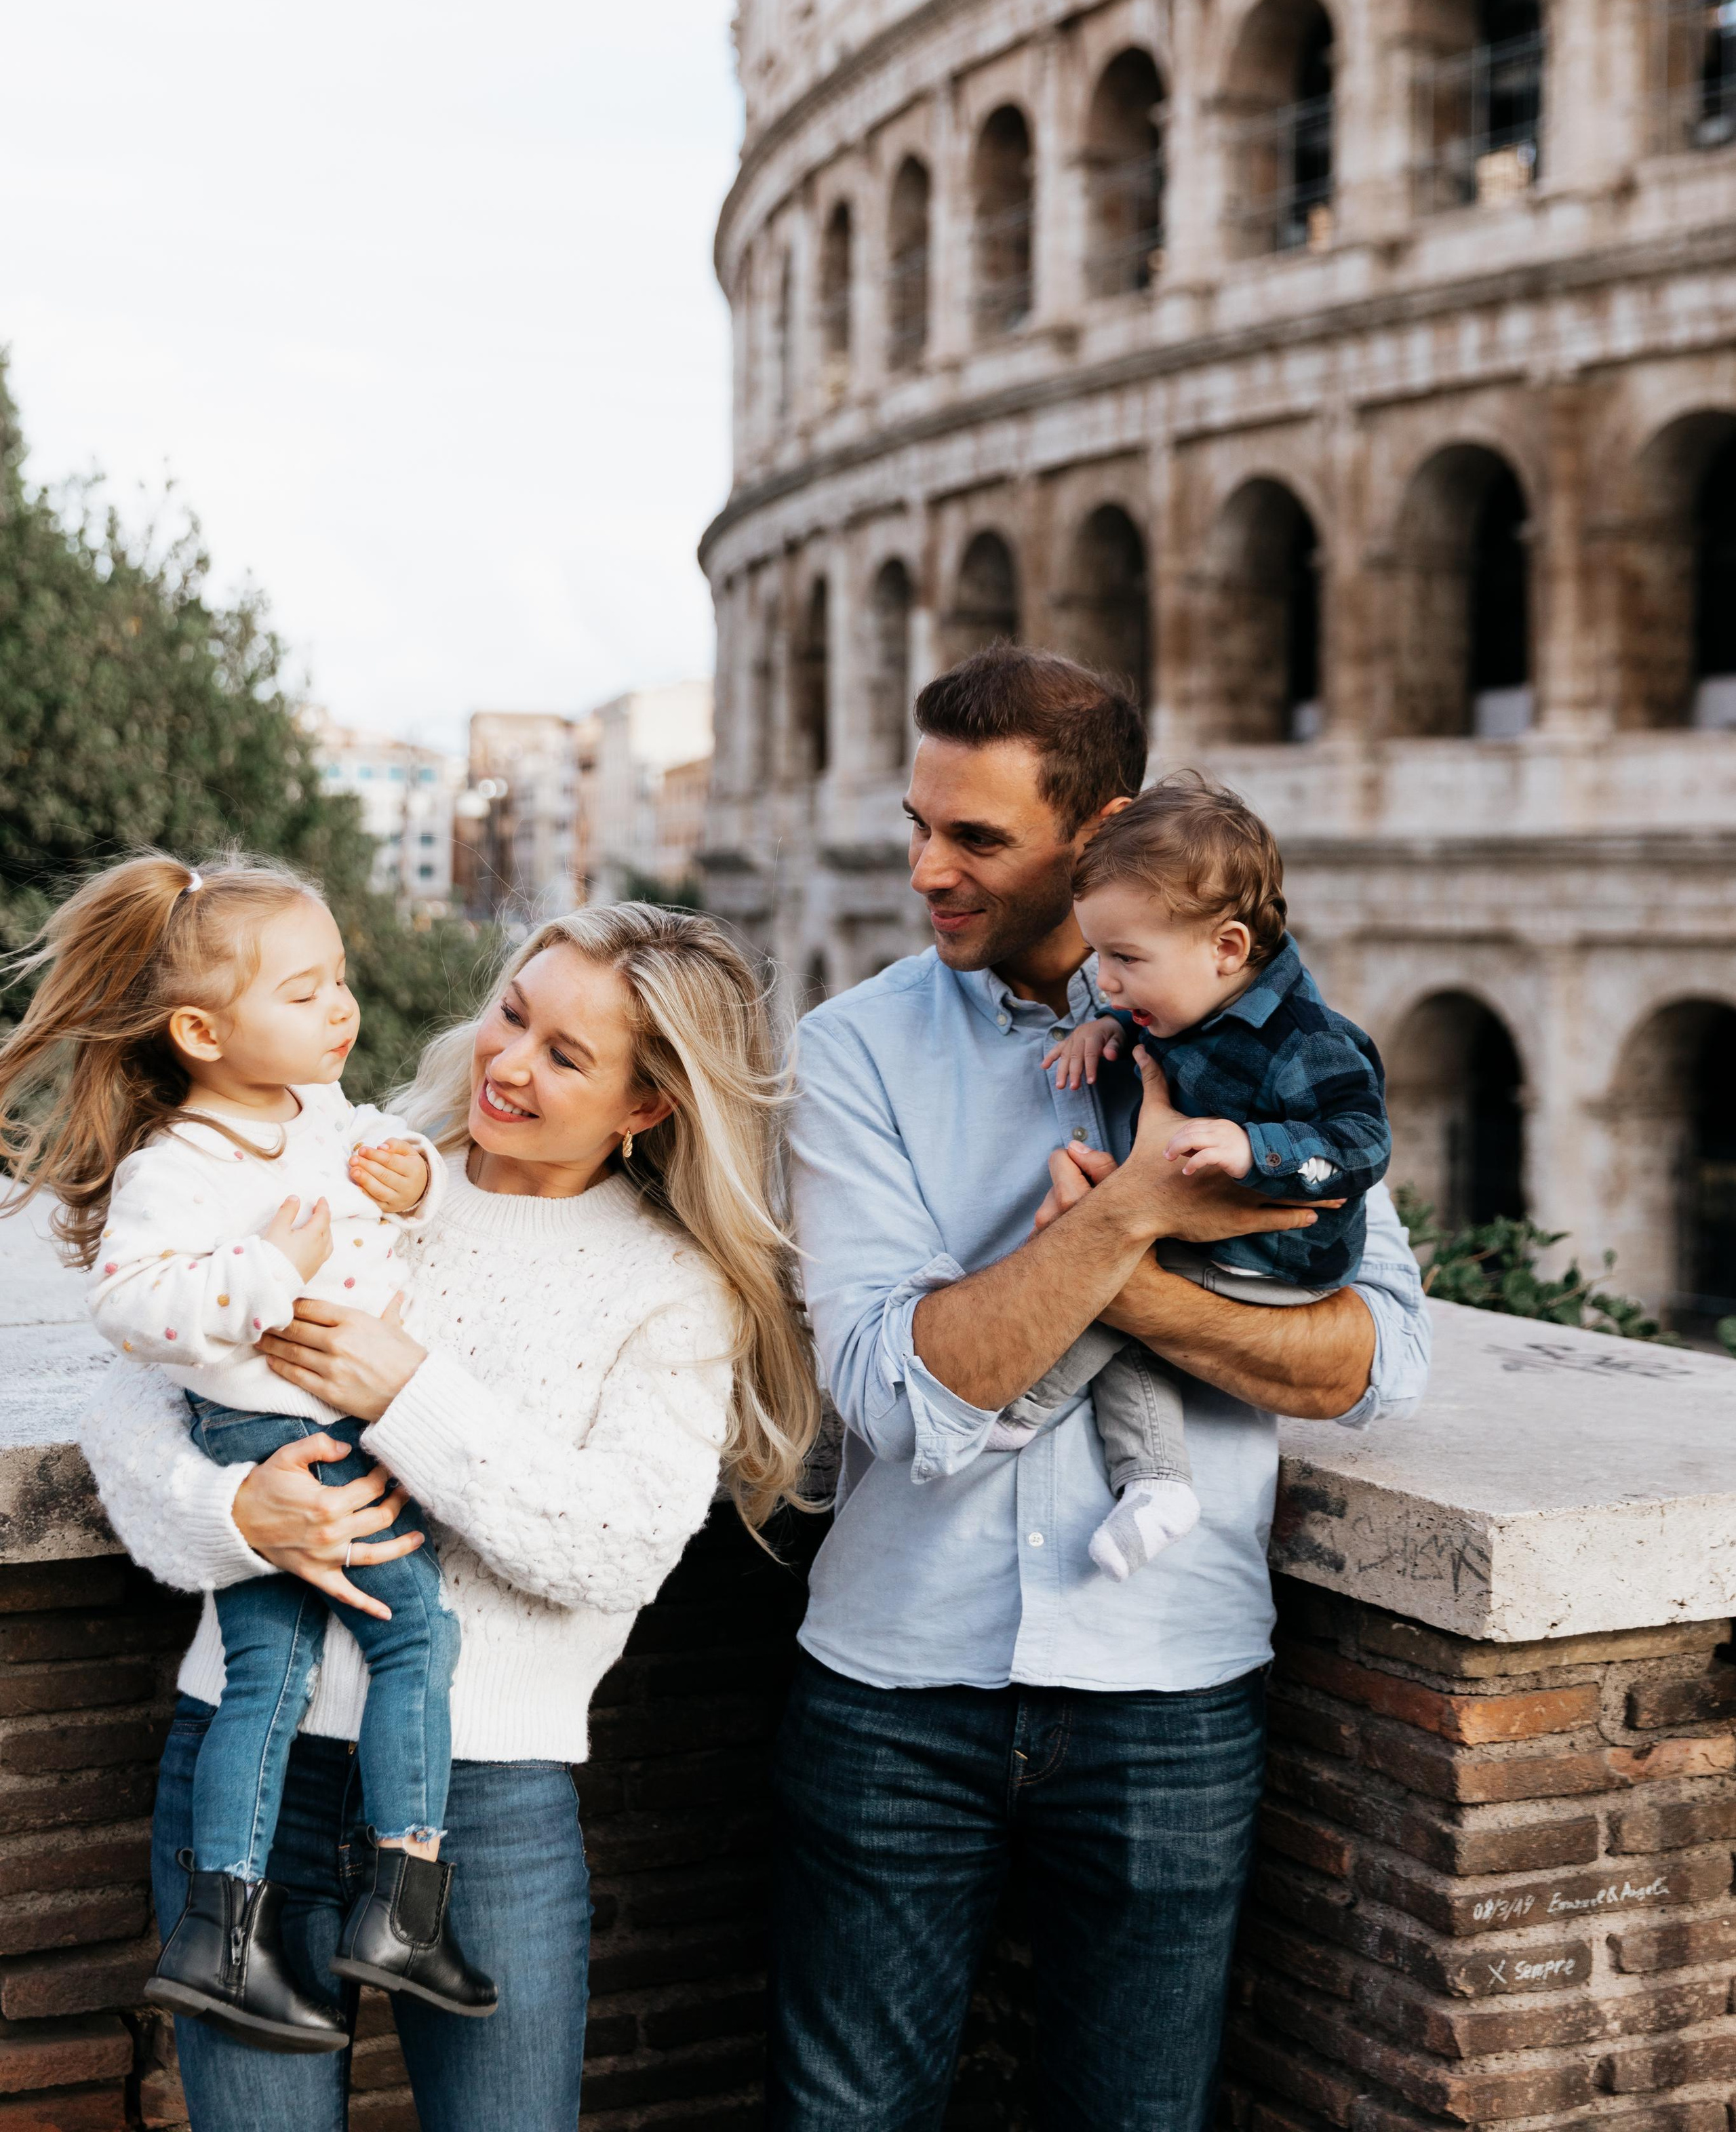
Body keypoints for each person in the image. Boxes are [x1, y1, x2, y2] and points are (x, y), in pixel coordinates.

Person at [772, 644, 1430, 2132]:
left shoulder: (1282, 1050)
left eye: (976, 839)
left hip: (1171, 1686)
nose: (927, 869)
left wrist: (1092, 1264)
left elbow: (1372, 1364)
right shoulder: (853, 1049)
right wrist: (1141, 1208)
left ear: (1100, 832)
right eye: (916, 825)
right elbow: (897, 1395)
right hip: (893, 1684)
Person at [78, 900, 818, 2132]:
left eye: (565, 1055)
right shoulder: (341, 1163)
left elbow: (620, 1545)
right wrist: (232, 1514)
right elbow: (129, 1396)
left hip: (487, 1803)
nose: (508, 1062)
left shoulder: (669, 1287)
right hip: (246, 1783)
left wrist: (406, 1392)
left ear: (648, 1105)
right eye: (512, 1015)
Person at [0, 852, 492, 2051]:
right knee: (419, 1630)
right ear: (202, 1032)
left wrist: (414, 1175)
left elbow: (384, 1160)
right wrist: (275, 1270)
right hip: (283, 1432)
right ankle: (405, 1904)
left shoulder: (317, 1113)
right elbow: (134, 1309)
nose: (341, 1007)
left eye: (341, 981)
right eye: (306, 989)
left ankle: (221, 1938)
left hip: (315, 1424)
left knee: (263, 1684)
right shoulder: (180, 1165)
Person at [1002, 772, 1390, 1583]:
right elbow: (1146, 1014)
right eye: (1098, 955)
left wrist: (1258, 1152)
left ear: (1227, 948)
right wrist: (1097, 1030)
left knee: (1112, 1283)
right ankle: (1157, 1483)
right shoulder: (1185, 995)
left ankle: (1020, 1405)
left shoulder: (1308, 1041)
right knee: (1123, 1272)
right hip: (1204, 1219)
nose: (1101, 980)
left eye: (1123, 959)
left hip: (1283, 1255)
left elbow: (1363, 1144)